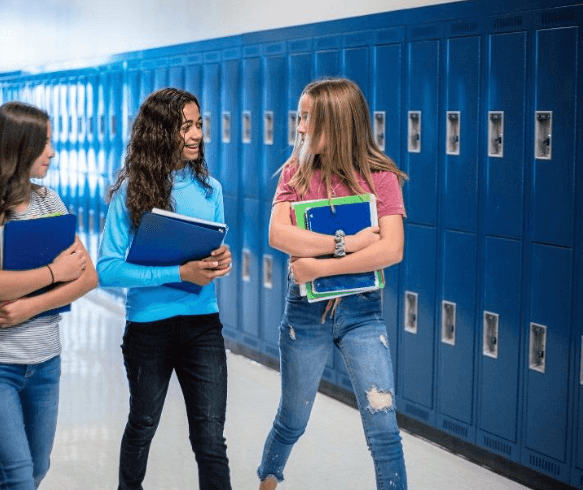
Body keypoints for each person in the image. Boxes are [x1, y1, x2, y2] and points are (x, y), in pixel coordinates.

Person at [257, 78, 409, 490]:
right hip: (305, 315)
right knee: (292, 419)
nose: (300, 127)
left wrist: (319, 266)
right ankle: (266, 482)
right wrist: (349, 243)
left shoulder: (380, 178)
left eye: (309, 118)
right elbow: (278, 235)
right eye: (300, 116)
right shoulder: (296, 172)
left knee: (383, 429)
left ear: (338, 123)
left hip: (362, 313)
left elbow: (391, 250)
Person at [0, 101, 98, 490]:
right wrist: (54, 273)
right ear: (19, 147)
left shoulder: (49, 201)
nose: (52, 152)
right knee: (17, 478)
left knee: (36, 470)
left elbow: (87, 278)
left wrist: (30, 306)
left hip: (45, 361)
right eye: (44, 143)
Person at [97, 87, 233, 490]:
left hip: (202, 325)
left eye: (198, 125)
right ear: (160, 133)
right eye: (184, 127)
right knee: (142, 423)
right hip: (149, 329)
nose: (195, 135)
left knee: (210, 439)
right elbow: (108, 269)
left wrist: (219, 262)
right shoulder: (131, 192)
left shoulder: (212, 189)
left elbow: (215, 249)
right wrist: (177, 272)